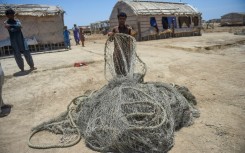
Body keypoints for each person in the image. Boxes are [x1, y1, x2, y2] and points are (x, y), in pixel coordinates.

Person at [108, 12, 136, 76]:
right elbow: (110, 40)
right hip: (117, 54)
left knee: (127, 70)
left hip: (126, 53)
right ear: (118, 19)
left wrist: (132, 30)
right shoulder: (115, 29)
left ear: (125, 19)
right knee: (118, 70)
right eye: (120, 19)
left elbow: (133, 37)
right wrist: (111, 35)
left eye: (123, 19)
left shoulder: (128, 29)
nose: (122, 20)